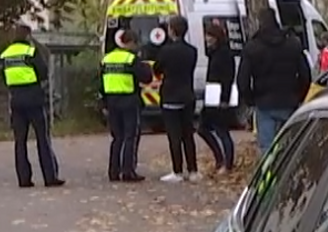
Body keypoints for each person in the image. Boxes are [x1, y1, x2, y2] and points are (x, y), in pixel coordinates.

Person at [0, 23, 63, 189]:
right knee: (42, 138)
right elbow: (43, 72)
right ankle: (50, 177)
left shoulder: (5, 55)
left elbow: (3, 77)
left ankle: (24, 179)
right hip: (34, 100)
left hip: (16, 101)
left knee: (20, 141)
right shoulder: (31, 52)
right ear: (27, 36)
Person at [240, 18, 313, 153]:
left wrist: (251, 100)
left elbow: (243, 81)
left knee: (267, 148)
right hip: (289, 101)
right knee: (290, 146)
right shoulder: (294, 45)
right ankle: (289, 172)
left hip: (264, 104)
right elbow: (306, 75)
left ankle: (269, 173)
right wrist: (299, 96)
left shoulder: (252, 48)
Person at [152, 15, 201, 183]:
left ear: (171, 30)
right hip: (187, 95)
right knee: (188, 134)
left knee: (174, 135)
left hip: (170, 96)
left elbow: (157, 69)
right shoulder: (192, 51)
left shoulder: (165, 51)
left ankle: (177, 171)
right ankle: (193, 170)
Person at [102, 28, 150, 182]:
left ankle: (113, 171)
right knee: (130, 136)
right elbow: (146, 78)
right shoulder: (131, 59)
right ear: (130, 43)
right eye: (135, 44)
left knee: (117, 137)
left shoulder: (107, 59)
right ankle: (128, 171)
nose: (136, 47)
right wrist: (144, 64)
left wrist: (103, 103)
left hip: (111, 101)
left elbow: (100, 84)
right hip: (129, 100)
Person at [196, 17, 238, 173]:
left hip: (220, 97)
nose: (207, 39)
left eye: (210, 36)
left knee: (222, 131)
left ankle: (227, 163)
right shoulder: (214, 54)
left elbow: (227, 77)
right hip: (212, 96)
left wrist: (225, 99)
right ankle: (220, 159)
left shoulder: (224, 54)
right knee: (203, 129)